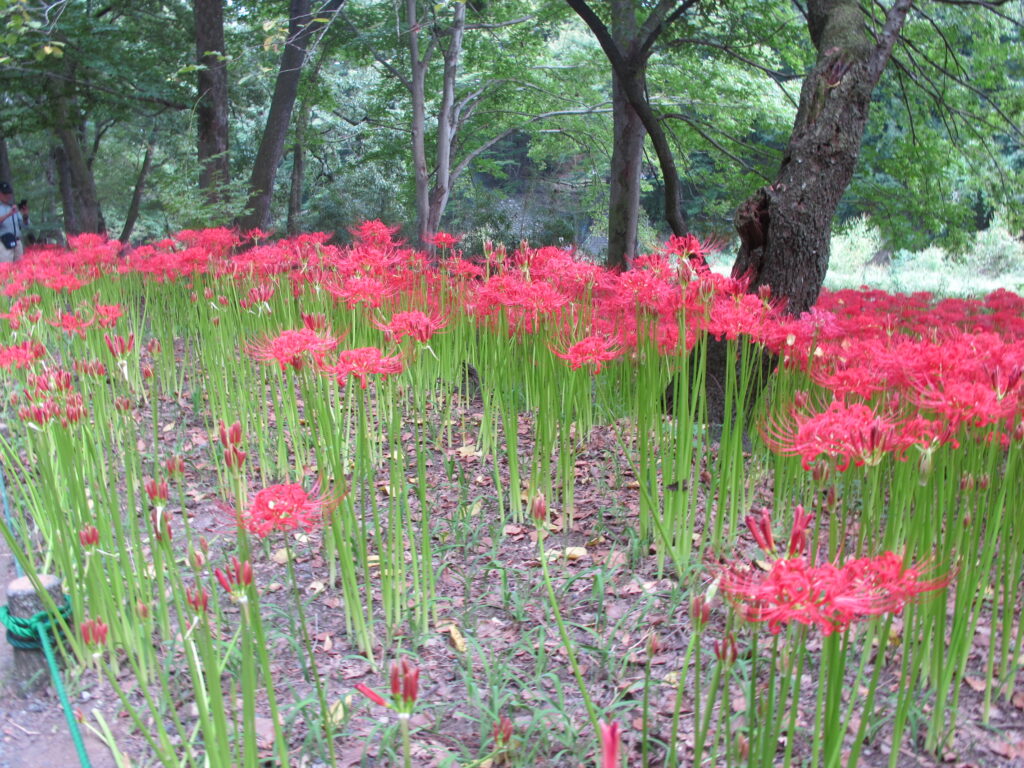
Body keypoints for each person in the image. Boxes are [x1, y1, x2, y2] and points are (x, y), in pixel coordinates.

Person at [0, 181, 27, 263]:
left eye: (9, 193)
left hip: (17, 242)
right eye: (5, 193)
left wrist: (25, 216)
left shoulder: (13, 207)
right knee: (6, 268)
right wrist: (9, 214)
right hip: (3, 242)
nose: (8, 196)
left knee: (20, 267)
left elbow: (24, 225)